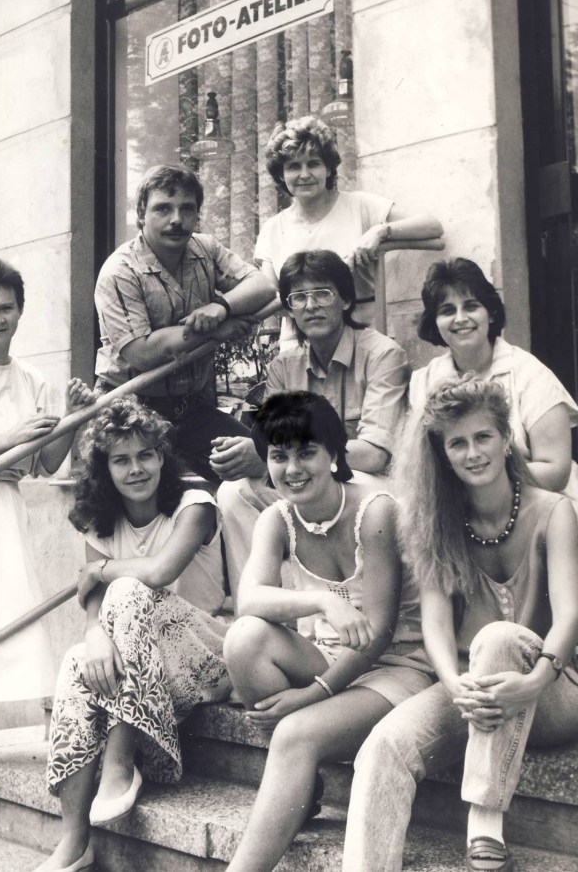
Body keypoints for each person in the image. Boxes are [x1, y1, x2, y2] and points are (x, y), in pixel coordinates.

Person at [343, 377, 578, 872]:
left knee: (499, 638)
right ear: (442, 454)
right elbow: (436, 627)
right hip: (475, 693)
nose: (473, 453)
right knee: (384, 746)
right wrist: (454, 684)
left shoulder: (554, 511)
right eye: (457, 443)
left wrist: (536, 679)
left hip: (553, 689)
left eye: (483, 437)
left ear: (506, 438)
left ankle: (485, 818)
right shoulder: (436, 522)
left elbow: (570, 615)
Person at [222, 391, 433, 872]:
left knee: (295, 733)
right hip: (331, 657)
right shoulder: (278, 518)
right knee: (244, 639)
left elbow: (378, 634)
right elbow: (248, 599)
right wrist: (323, 601)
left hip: (399, 668)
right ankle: (301, 787)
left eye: (306, 453)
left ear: (334, 454)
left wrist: (311, 695)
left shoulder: (376, 512)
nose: (292, 469)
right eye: (279, 456)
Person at [35, 396, 230, 872]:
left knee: (126, 588)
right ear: (105, 468)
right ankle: (74, 840)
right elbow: (93, 603)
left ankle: (120, 762)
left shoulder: (195, 504)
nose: (136, 469)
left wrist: (101, 570)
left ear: (163, 456)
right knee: (78, 660)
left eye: (146, 455)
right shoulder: (100, 519)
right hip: (144, 670)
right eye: (121, 460)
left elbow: (159, 572)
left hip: (207, 655)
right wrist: (94, 634)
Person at [0, 257, 95, 839]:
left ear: (21, 311)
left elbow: (44, 464)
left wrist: (73, 419)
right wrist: (1, 442)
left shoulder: (33, 380)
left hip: (4, 515)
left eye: (6, 308)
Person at [213, 251, 410, 604]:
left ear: (345, 299)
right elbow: (273, 443)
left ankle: (362, 604)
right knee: (234, 491)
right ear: (289, 310)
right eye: (298, 297)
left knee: (320, 483)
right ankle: (263, 608)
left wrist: (266, 457)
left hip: (371, 488)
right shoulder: (283, 366)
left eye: (322, 293)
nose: (311, 306)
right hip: (312, 480)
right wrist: (256, 452)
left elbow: (376, 455)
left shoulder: (383, 355)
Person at [93, 164, 277, 483]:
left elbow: (263, 286)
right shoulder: (120, 271)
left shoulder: (205, 249)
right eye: (163, 208)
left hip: (190, 410)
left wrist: (221, 306)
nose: (176, 219)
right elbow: (142, 352)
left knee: (259, 466)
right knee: (140, 498)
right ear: (141, 214)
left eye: (186, 209)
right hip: (127, 412)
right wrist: (216, 330)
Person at [255, 114, 443, 341]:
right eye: (294, 166)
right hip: (301, 344)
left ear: (328, 168)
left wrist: (379, 232)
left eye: (313, 163)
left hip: (366, 338)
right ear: (281, 174)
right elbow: (270, 298)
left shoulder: (359, 205)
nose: (304, 174)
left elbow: (433, 227)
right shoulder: (273, 229)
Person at [409, 257, 578, 501]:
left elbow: (556, 471)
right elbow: (420, 469)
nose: (460, 318)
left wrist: (484, 480)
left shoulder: (530, 374)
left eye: (471, 307)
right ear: (435, 323)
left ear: (490, 313)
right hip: (456, 508)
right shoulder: (423, 382)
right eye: (447, 311)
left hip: (537, 502)